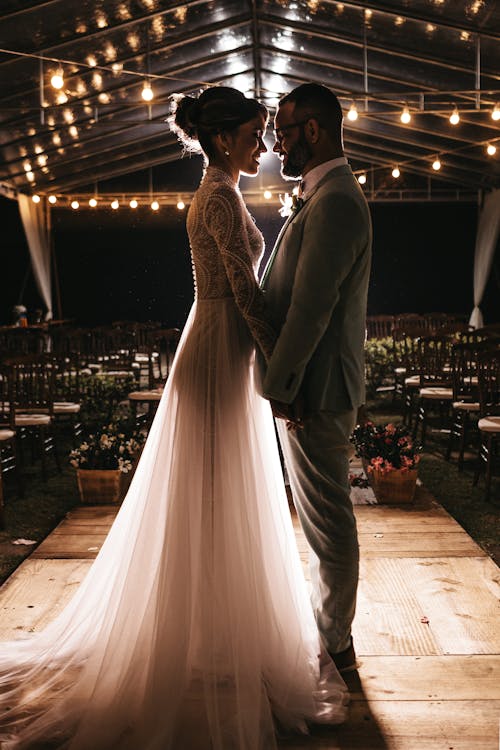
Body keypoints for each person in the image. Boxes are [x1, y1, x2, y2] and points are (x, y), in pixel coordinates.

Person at [0, 87, 348, 750]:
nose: (261, 144)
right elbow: (244, 294)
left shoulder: (224, 190)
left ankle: (216, 633)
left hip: (221, 348)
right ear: (221, 140)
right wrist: (283, 378)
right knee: (216, 495)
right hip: (217, 352)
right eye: (251, 133)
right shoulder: (218, 197)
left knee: (220, 497)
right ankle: (206, 641)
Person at [260, 83, 372, 672]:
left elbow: (310, 311)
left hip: (316, 390)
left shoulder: (335, 203)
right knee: (320, 520)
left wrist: (284, 388)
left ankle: (336, 644)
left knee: (329, 524)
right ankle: (328, 633)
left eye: (285, 127)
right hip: (310, 386)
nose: (278, 139)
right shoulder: (321, 195)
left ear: (314, 130)